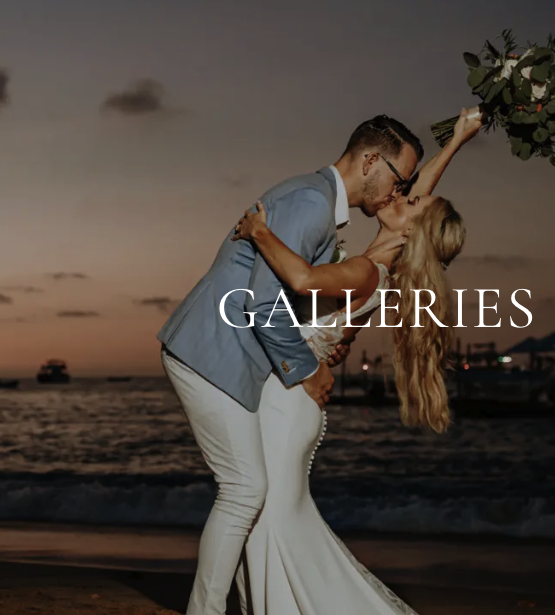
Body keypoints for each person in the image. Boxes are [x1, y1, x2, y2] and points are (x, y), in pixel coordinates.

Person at [156, 115, 424, 615]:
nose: (397, 191)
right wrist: (308, 368)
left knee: (248, 492)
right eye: (397, 178)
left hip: (232, 354)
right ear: (370, 161)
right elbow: (261, 304)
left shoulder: (319, 203)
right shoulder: (311, 203)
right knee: (245, 489)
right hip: (212, 350)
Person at [228, 108, 482, 614]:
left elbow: (300, 280)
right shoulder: (380, 265)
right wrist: (456, 142)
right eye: (405, 190)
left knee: (268, 524)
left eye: (409, 200)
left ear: (411, 231)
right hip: (292, 397)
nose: (401, 196)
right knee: (276, 523)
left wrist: (259, 231)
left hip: (289, 397)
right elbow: (418, 205)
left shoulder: (367, 270)